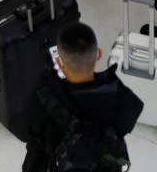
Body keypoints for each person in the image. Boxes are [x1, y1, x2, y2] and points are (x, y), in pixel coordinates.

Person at [20, 22, 144, 172]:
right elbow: (127, 121)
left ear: (59, 63)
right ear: (98, 54)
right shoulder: (122, 97)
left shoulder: (42, 98)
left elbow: (28, 134)